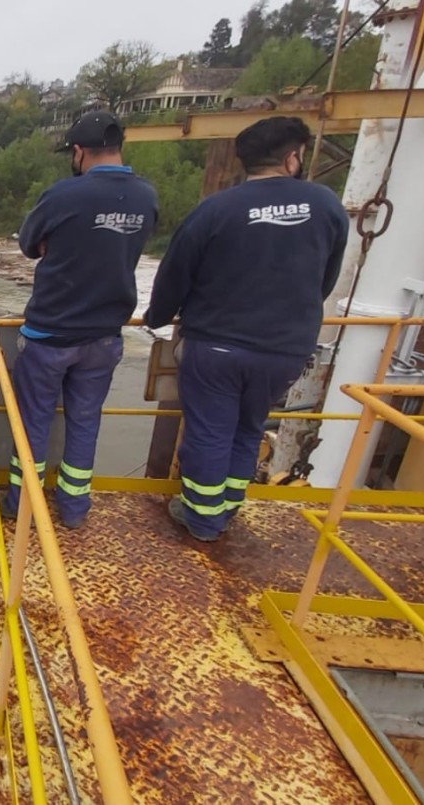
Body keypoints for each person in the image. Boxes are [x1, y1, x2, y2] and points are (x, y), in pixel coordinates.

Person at [144, 116, 347, 542]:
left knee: (210, 430)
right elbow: (326, 277)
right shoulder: (326, 205)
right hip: (286, 349)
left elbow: (175, 273)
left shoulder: (217, 209)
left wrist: (157, 317)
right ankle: (229, 506)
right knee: (249, 427)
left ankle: (202, 518)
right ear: (292, 158)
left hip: (218, 347)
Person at [9, 110, 158, 529]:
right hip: (105, 335)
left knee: (33, 423)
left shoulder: (63, 195)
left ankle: (23, 507)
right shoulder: (146, 196)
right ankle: (74, 509)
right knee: (85, 421)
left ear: (78, 152)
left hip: (50, 334)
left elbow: (29, 244)